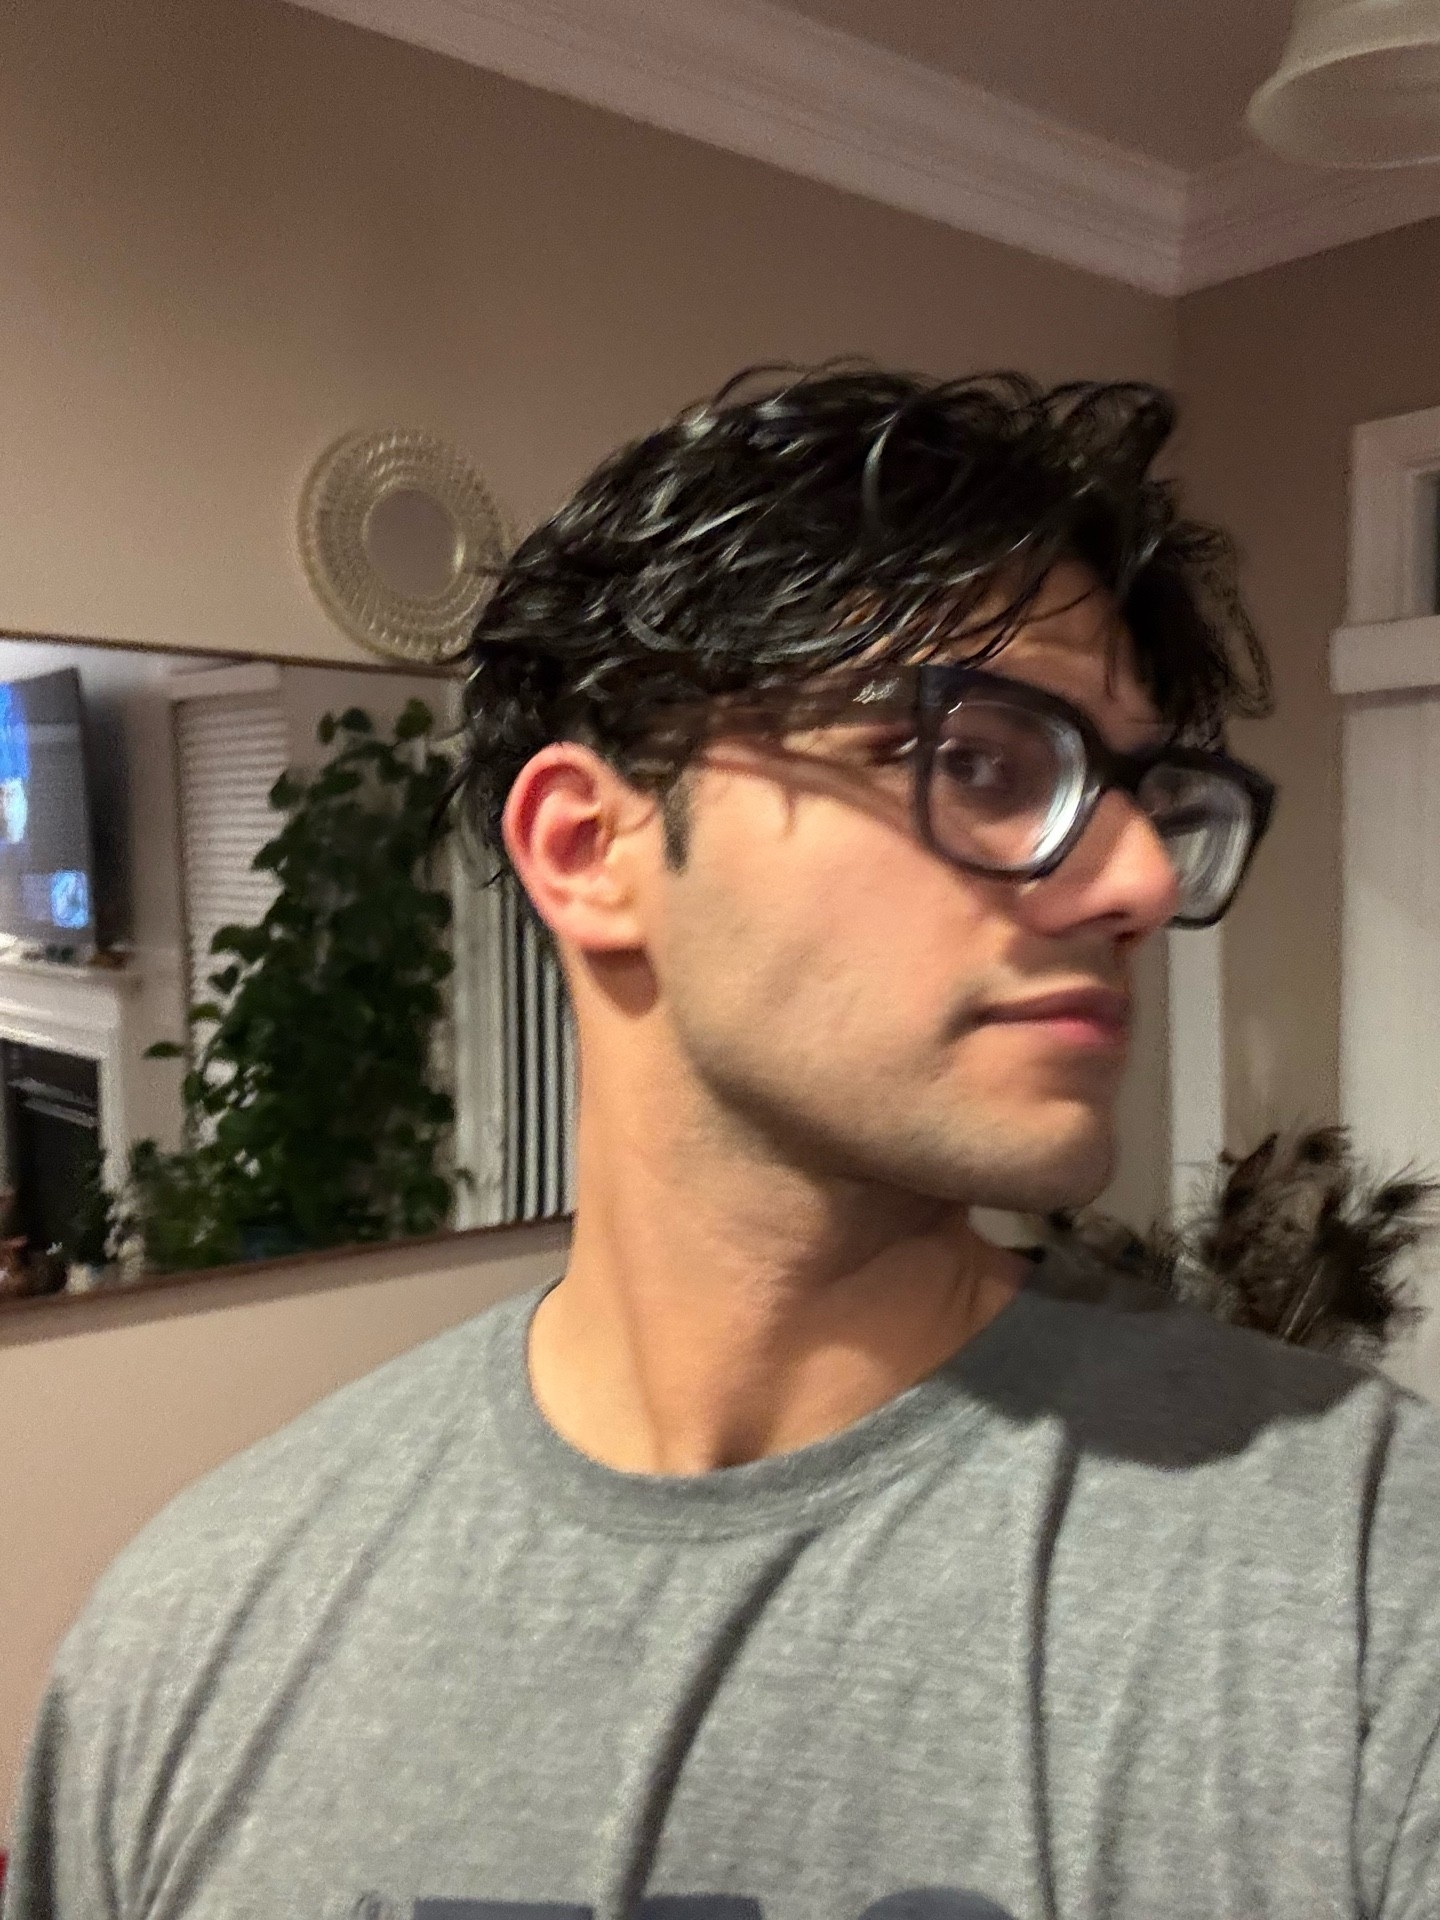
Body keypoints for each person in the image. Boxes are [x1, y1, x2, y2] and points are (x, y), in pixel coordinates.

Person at [7, 368, 1439, 1920]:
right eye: (983, 760)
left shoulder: (1369, 1585)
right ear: (589, 849)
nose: (1141, 879)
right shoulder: (197, 1631)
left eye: (1141, 796)